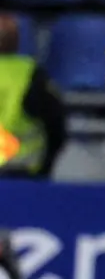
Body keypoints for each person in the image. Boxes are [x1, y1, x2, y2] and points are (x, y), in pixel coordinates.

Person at [0, 12, 66, 179]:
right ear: (17, 41)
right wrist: (47, 166)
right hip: (23, 173)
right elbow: (57, 126)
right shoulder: (30, 74)